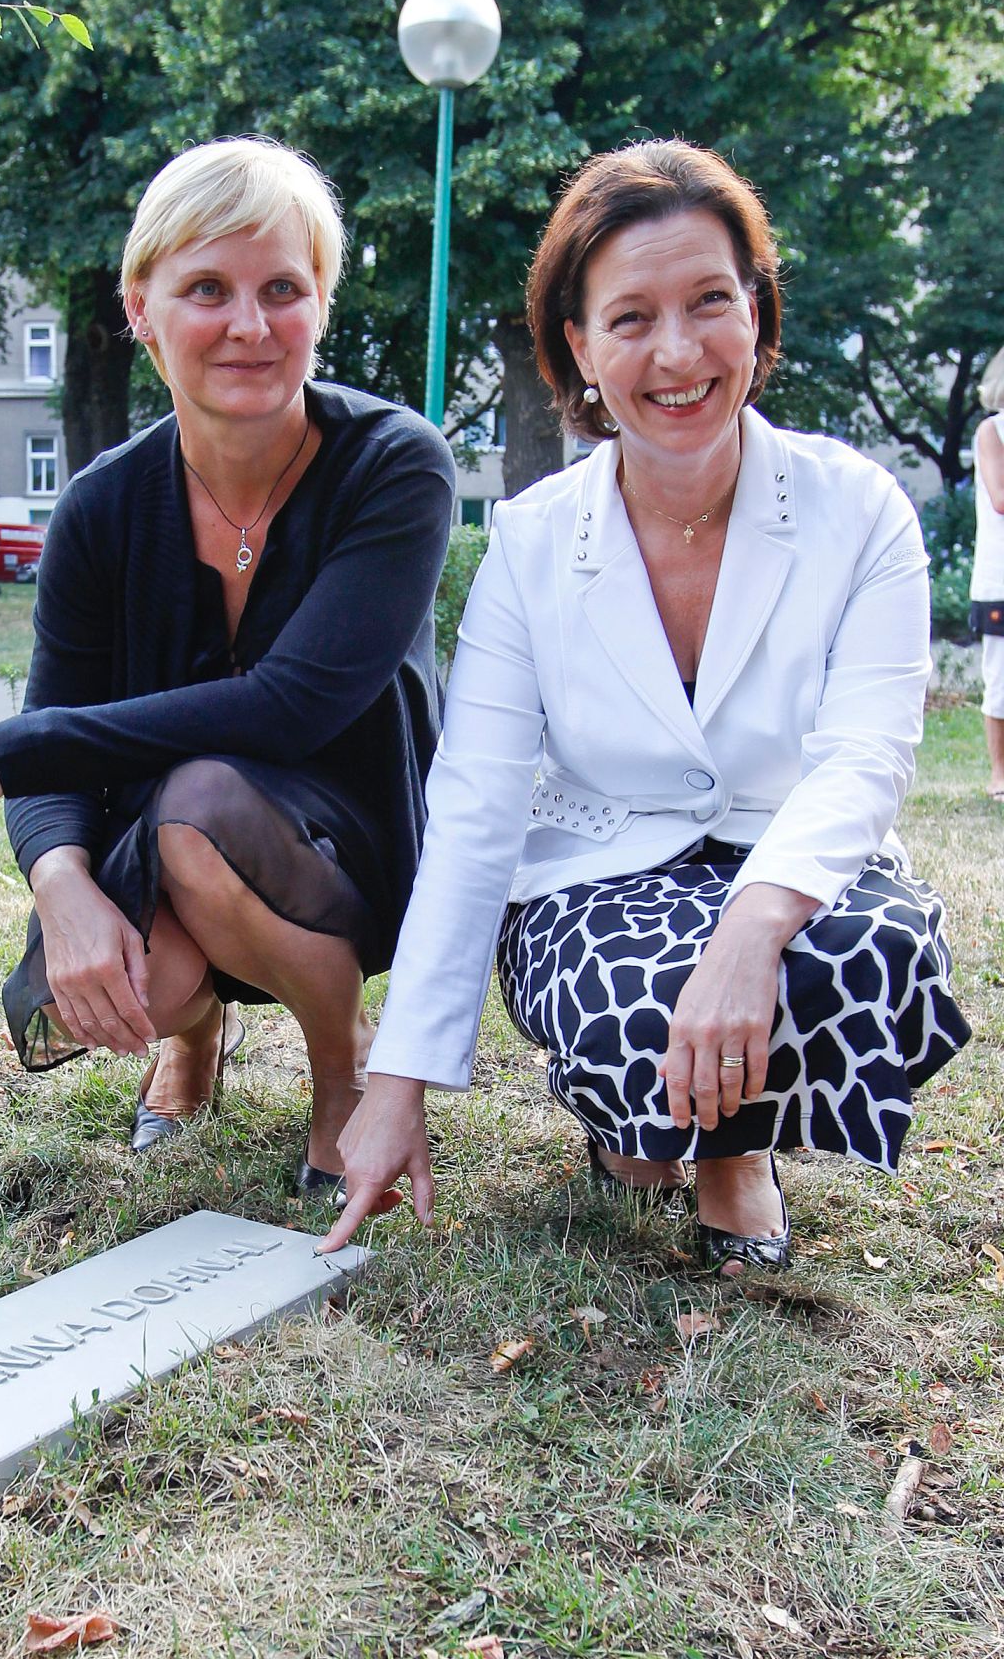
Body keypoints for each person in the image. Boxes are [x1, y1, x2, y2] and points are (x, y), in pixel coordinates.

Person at [322, 139, 970, 1270]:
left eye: (709, 301)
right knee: (633, 1012)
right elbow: (473, 804)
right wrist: (395, 1084)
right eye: (629, 318)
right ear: (577, 346)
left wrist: (752, 925)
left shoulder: (858, 508)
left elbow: (866, 753)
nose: (676, 352)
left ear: (757, 315)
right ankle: (640, 1123)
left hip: (790, 853)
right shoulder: (527, 543)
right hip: (600, 873)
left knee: (874, 952)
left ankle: (730, 1154)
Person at [0, 137, 455, 1193]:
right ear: (139, 306)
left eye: (282, 288)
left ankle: (340, 1068)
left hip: (357, 840)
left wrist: (13, 750)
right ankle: (193, 1031)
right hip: (172, 835)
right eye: (206, 287)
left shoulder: (394, 465)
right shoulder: (101, 505)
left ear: (321, 304)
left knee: (194, 801)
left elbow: (292, 706)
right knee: (132, 978)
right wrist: (60, 879)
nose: (248, 325)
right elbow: (63, 723)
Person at [969, 346, 1004, 800]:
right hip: (1000, 580)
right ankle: (1001, 776)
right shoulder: (992, 431)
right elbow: (1000, 496)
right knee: (1001, 681)